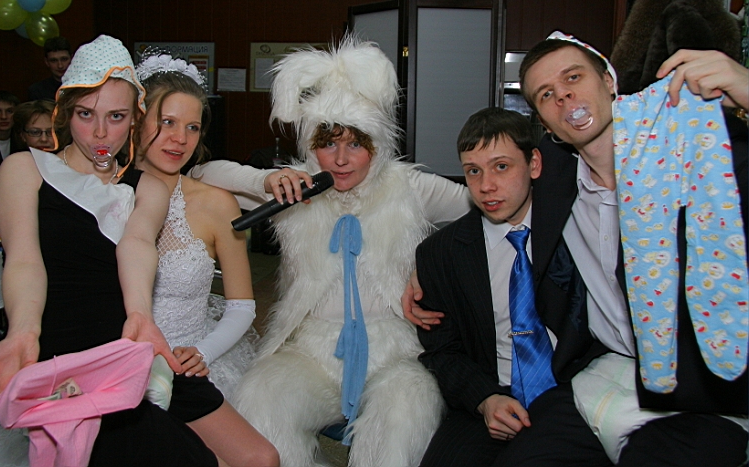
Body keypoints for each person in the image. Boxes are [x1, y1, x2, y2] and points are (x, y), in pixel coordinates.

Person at [409, 37, 748, 466]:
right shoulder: (559, 179)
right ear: (547, 126)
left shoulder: (689, 157)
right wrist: (420, 268)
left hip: (702, 383)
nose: (563, 96)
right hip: (605, 376)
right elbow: (485, 208)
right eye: (546, 94)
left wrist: (745, 89)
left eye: (573, 78)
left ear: (609, 82)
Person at [189, 35, 473, 467]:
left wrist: (429, 269)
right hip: (312, 350)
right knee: (260, 399)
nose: (340, 160)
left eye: (355, 144)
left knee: (406, 415)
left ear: (377, 146)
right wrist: (264, 181)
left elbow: (485, 204)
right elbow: (202, 172)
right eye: (327, 144)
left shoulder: (409, 186)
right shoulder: (294, 186)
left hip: (396, 351)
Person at [0, 35, 219, 467]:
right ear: (64, 112)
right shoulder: (25, 169)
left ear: (135, 119)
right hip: (59, 352)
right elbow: (24, 260)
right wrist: (23, 330)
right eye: (86, 114)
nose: (100, 133)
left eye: (116, 116)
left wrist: (140, 314)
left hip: (123, 348)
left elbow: (136, 243)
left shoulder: (148, 187)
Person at [416, 107, 613, 467]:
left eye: (501, 166)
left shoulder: (576, 228)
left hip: (573, 393)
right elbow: (441, 350)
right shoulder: (440, 253)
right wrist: (485, 399)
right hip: (490, 395)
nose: (486, 186)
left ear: (534, 164)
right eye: (473, 171)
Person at [134, 52, 279, 466]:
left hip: (194, 359)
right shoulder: (106, 197)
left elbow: (242, 305)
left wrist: (202, 352)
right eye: (167, 122)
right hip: (123, 362)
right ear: (137, 120)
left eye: (192, 127)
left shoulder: (216, 204)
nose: (180, 139)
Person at [27, 36, 72, 102]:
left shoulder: (84, 85)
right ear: (46, 62)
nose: (60, 66)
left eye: (64, 59)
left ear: (72, 58)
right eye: (54, 61)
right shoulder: (37, 90)